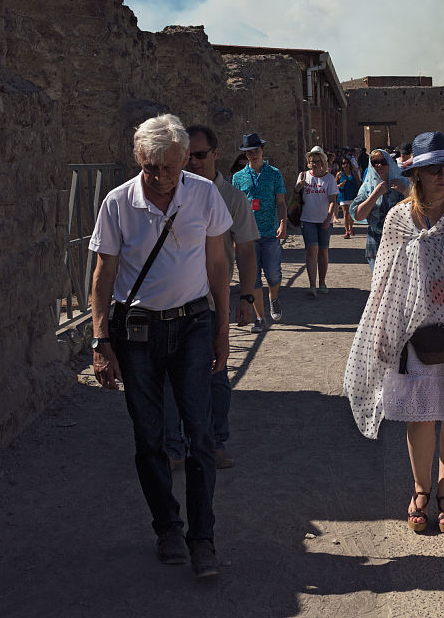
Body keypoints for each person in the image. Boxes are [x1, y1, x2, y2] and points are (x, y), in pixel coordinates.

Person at [88, 114, 232, 578]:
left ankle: (202, 538)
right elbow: (104, 274)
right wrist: (100, 340)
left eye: (170, 167)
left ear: (185, 159)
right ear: (138, 157)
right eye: (152, 167)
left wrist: (222, 329)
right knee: (149, 436)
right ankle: (168, 527)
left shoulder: (204, 194)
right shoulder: (118, 203)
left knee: (200, 435)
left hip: (192, 325)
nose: (161, 177)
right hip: (138, 332)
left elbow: (217, 264)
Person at [343, 132, 444, 535]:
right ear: (416, 173)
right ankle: (421, 491)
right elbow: (384, 280)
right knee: (421, 415)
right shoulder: (398, 218)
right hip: (413, 325)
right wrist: (380, 330)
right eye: (434, 169)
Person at [164, 125, 260, 471]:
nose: (192, 162)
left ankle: (215, 442)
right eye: (186, 156)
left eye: (200, 155)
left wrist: (247, 296)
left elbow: (246, 251)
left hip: (209, 302)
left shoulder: (232, 199)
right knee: (170, 377)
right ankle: (173, 447)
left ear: (216, 154)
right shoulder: (170, 194)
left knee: (214, 373)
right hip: (171, 302)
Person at [232, 132, 288, 331]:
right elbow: (235, 207)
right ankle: (260, 318)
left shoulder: (274, 174)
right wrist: (233, 233)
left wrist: (283, 222)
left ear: (262, 150)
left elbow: (280, 202)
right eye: (249, 152)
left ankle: (274, 297)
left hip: (270, 232)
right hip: (247, 235)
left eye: (256, 150)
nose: (253, 154)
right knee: (253, 278)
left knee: (273, 275)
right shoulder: (238, 178)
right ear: (245, 154)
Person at [351, 149, 410, 272]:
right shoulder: (368, 187)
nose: (379, 165)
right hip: (376, 240)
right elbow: (358, 216)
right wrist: (375, 195)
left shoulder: (402, 182)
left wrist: (405, 191)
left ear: (389, 163)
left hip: (400, 240)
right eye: (375, 162)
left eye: (383, 162)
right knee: (379, 281)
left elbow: (420, 206)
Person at [296, 146, 340, 296]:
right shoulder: (303, 176)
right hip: (307, 219)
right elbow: (295, 193)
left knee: (323, 251)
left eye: (316, 161)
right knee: (311, 250)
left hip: (324, 220)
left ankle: (322, 282)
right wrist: (298, 187)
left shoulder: (329, 179)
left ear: (322, 162)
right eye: (311, 161)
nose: (313, 164)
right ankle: (312, 286)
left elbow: (333, 200)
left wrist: (328, 218)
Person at [336, 156, 362, 238]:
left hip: (353, 195)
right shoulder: (339, 174)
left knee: (352, 213)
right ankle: (346, 231)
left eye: (347, 163)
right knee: (345, 213)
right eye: (343, 163)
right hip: (343, 195)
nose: (345, 165)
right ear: (341, 165)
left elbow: (358, 182)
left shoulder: (353, 173)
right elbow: (334, 185)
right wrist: (339, 185)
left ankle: (351, 227)